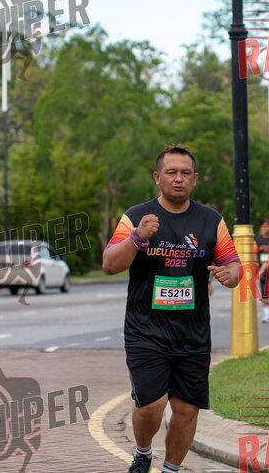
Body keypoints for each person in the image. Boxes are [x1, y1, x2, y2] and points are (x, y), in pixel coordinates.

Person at [102, 145, 241, 473]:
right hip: (145, 329)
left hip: (192, 333)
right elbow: (109, 264)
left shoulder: (211, 220)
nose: (178, 179)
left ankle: (171, 470)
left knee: (186, 410)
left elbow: (234, 266)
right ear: (157, 177)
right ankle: (143, 452)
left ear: (195, 179)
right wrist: (137, 238)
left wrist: (230, 275)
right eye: (171, 172)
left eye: (185, 173)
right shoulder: (136, 216)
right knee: (151, 405)